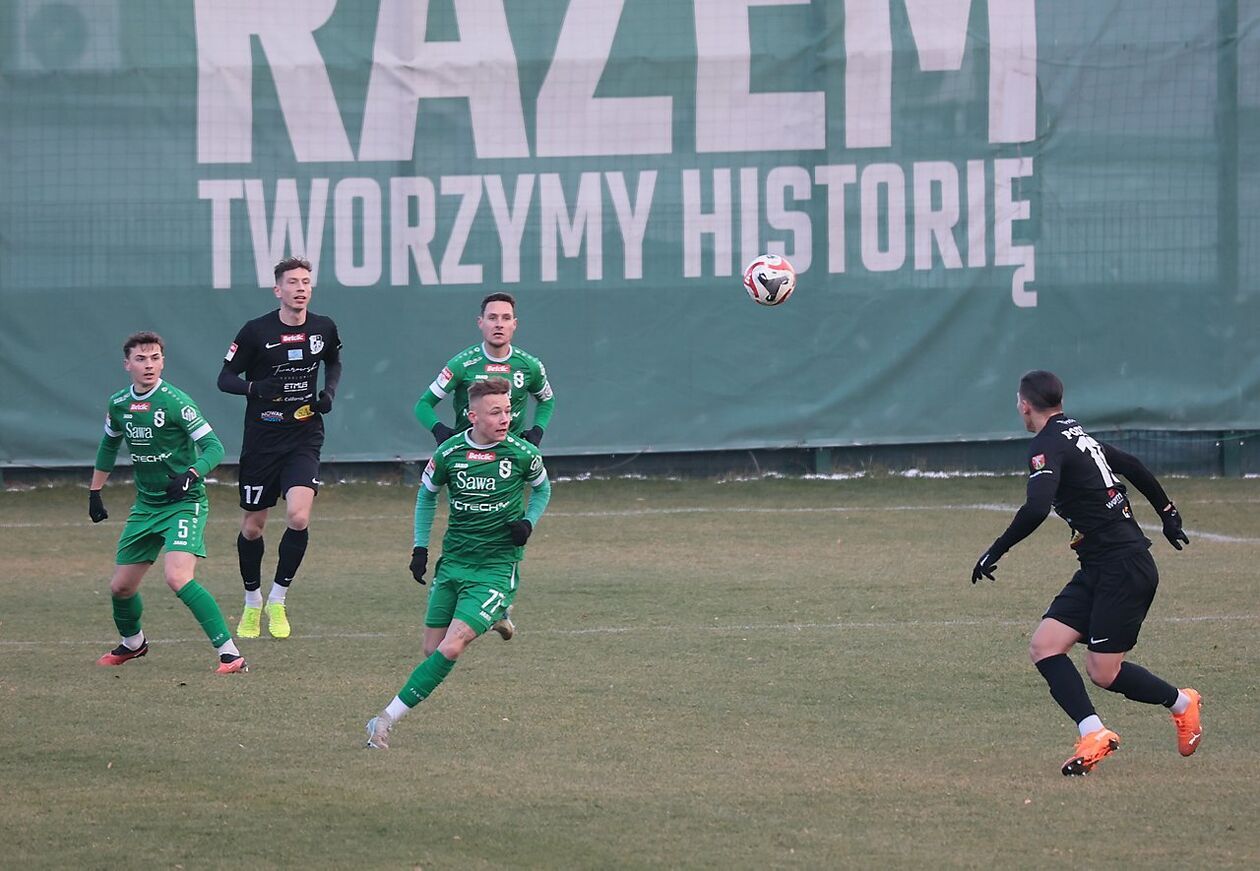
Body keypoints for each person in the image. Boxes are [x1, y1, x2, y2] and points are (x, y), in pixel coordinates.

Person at [971, 370, 1201, 776]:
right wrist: (1167, 512)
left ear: (1024, 405)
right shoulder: (1075, 432)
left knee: (1103, 672)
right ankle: (1094, 733)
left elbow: (1037, 507)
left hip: (1124, 568)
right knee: (1045, 646)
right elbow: (1131, 464)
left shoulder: (1047, 444)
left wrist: (997, 549)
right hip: (1098, 566)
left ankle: (1183, 703)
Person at [366, 377, 551, 749]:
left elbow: (542, 489)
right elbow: (426, 496)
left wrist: (528, 522)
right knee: (432, 650)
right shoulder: (449, 453)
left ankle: (383, 720)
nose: (505, 419)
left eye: (508, 411)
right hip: (453, 563)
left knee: (451, 648)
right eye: (495, 412)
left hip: (496, 567)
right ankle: (496, 617)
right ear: (472, 416)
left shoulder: (522, 453)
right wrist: (420, 548)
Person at [89, 331, 247, 673]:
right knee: (120, 587)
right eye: (141, 359)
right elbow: (108, 445)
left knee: (177, 577)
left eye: (155, 358)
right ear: (127, 364)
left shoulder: (176, 402)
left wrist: (192, 473)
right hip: (146, 505)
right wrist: (95, 492)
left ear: (163, 362)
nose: (149, 365)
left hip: (184, 502)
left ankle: (230, 653)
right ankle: (133, 643)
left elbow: (215, 448)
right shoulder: (119, 404)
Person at [414, 291, 554, 640]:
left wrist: (537, 430)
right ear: (480, 323)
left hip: (508, 461)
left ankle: (495, 603)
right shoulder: (462, 364)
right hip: (466, 458)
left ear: (515, 324)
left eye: (505, 318)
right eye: (492, 317)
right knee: (466, 525)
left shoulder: (529, 366)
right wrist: (441, 431)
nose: (499, 324)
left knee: (508, 529)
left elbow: (547, 401)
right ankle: (466, 595)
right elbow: (423, 404)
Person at [217, 256, 343, 639]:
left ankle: (277, 598)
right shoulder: (256, 331)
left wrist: (328, 393)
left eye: (305, 282)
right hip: (262, 440)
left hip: (304, 435)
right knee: (253, 527)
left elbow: (334, 361)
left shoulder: (323, 327)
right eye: (292, 282)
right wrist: (255, 388)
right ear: (278, 290)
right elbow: (225, 378)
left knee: (298, 517)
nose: (300, 288)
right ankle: (252, 601)